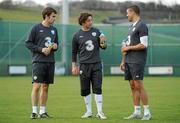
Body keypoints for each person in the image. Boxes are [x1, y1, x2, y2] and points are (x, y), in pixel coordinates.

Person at [72, 12, 107, 120]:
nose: (91, 22)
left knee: (97, 87)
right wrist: (74, 65)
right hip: (83, 66)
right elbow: (74, 52)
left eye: (91, 20)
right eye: (88, 20)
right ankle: (89, 112)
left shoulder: (97, 32)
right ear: (83, 22)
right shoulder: (76, 35)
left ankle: (100, 112)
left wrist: (102, 42)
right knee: (85, 89)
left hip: (96, 65)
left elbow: (104, 47)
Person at [25, 7, 59, 119]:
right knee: (36, 86)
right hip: (39, 61)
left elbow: (56, 45)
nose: (55, 18)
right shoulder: (35, 28)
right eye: (53, 16)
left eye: (55, 16)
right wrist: (41, 50)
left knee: (45, 87)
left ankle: (42, 112)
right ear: (46, 16)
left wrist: (55, 46)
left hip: (50, 61)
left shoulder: (54, 30)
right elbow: (28, 44)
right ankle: (34, 112)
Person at [120, 5, 152, 120]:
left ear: (133, 12)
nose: (127, 15)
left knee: (139, 85)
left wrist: (128, 48)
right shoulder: (131, 27)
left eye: (128, 13)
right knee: (133, 86)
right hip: (129, 60)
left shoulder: (142, 25)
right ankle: (137, 112)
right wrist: (123, 60)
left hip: (137, 60)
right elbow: (126, 46)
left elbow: (144, 45)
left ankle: (147, 112)